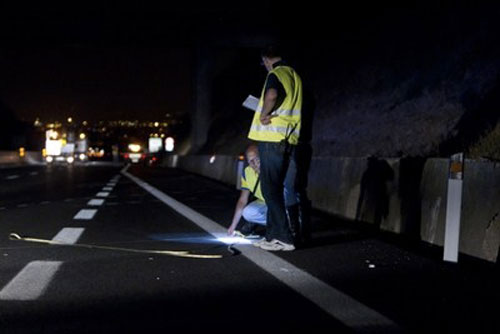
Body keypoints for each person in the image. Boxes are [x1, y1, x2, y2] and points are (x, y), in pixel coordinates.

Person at [247, 45, 304, 251]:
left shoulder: (276, 73)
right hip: (287, 139)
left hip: (272, 138)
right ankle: (272, 236)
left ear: (266, 58)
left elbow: (271, 95)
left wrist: (263, 113)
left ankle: (284, 238)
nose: (264, 66)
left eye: (263, 62)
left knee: (269, 188)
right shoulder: (294, 75)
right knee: (275, 189)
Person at [227, 145, 266, 238]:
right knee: (248, 212)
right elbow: (242, 200)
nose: (253, 164)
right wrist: (233, 225)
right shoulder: (247, 172)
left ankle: (284, 227)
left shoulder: (271, 169)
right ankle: (278, 225)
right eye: (250, 161)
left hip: (281, 204)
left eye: (256, 160)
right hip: (265, 203)